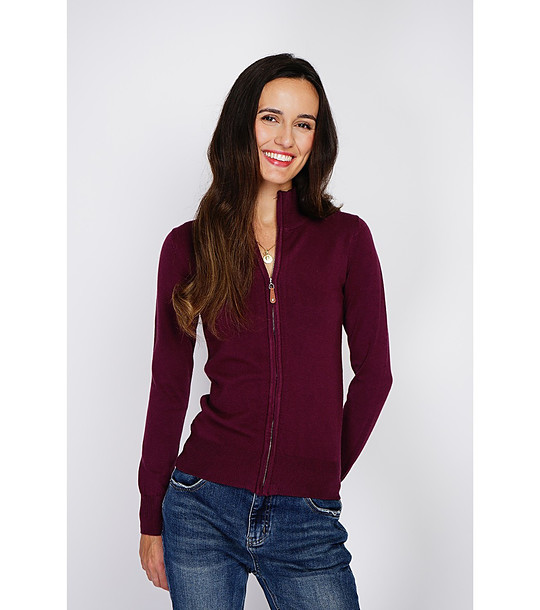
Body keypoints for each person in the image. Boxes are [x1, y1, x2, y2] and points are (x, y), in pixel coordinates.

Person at [138, 53, 393, 609]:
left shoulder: (346, 239)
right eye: (270, 117)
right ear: (242, 123)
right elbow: (168, 386)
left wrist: (321, 473)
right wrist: (150, 515)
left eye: (304, 124)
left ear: (317, 138)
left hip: (308, 521)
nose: (286, 138)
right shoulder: (189, 245)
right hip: (201, 505)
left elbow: (375, 375)